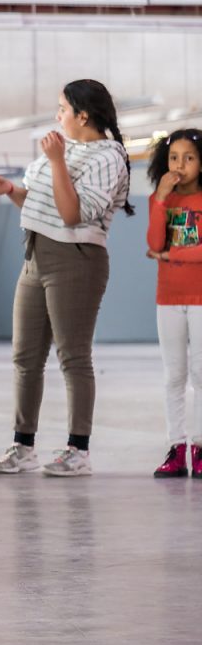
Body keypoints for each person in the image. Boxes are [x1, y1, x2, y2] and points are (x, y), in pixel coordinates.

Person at [0, 79, 133, 477]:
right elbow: (40, 199)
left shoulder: (108, 157)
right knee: (25, 356)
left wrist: (57, 161)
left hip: (76, 259)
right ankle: (23, 444)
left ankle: (78, 449)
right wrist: (12, 190)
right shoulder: (64, 151)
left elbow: (72, 214)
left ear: (84, 115)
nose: (57, 115)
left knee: (73, 356)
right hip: (35, 254)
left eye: (63, 109)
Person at [143, 128, 202, 478]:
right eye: (174, 158)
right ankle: (177, 447)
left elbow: (166, 250)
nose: (180, 164)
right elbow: (153, 241)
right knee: (174, 375)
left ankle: (199, 445)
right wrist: (162, 199)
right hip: (168, 298)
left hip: (201, 298)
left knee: (201, 372)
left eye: (189, 158)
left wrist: (171, 254)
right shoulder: (159, 199)